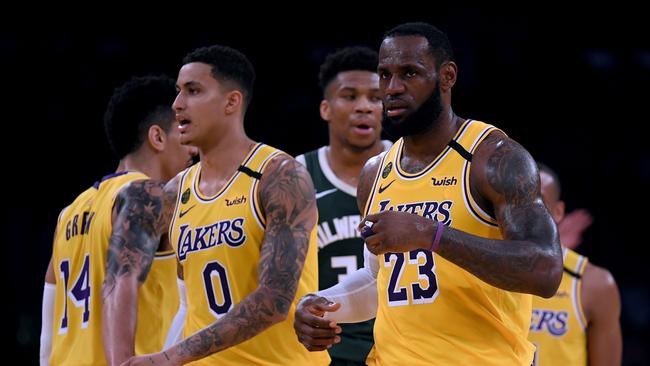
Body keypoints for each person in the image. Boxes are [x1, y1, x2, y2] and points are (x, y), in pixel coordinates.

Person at [293, 22, 563, 365]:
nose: (392, 88)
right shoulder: (375, 173)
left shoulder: (492, 157)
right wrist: (321, 304)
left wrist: (431, 235)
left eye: (409, 73)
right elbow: (379, 281)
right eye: (385, 74)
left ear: (447, 76)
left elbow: (546, 270)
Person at [124, 45, 330, 366]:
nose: (177, 105)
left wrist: (171, 356)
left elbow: (274, 301)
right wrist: (164, 359)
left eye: (193, 91)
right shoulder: (177, 191)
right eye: (178, 92)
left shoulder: (279, 175)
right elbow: (185, 304)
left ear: (231, 102)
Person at [40, 75, 197, 365]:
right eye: (183, 131)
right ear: (158, 137)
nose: (193, 148)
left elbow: (48, 328)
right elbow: (121, 283)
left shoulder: (69, 213)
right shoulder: (147, 195)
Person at [295, 46, 389, 365]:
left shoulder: (408, 169)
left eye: (375, 98)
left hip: (398, 347)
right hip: (322, 349)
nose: (364, 107)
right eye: (349, 96)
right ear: (325, 108)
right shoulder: (297, 176)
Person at [529, 163, 622, 366]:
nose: (526, 212)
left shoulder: (594, 284)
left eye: (538, 202)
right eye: (517, 199)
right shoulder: (479, 271)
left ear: (558, 211)